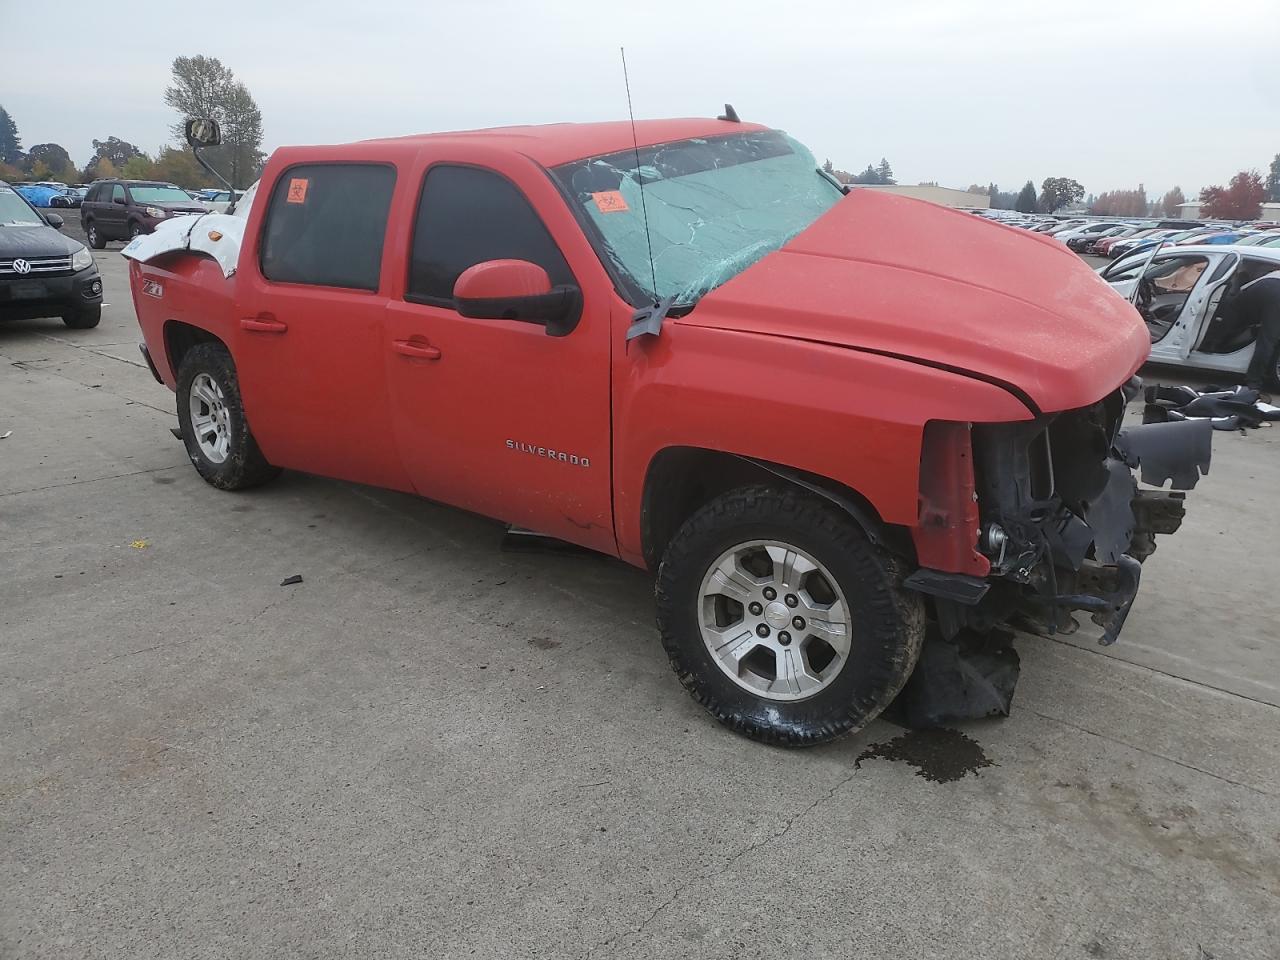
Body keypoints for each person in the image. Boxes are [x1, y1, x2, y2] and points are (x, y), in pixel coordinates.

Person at [1229, 267, 1280, 394]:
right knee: (1269, 339)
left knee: (1268, 340)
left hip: (1268, 291)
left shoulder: (1263, 278)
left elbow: (1236, 304)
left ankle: (1254, 382)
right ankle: (1254, 381)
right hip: (1271, 293)